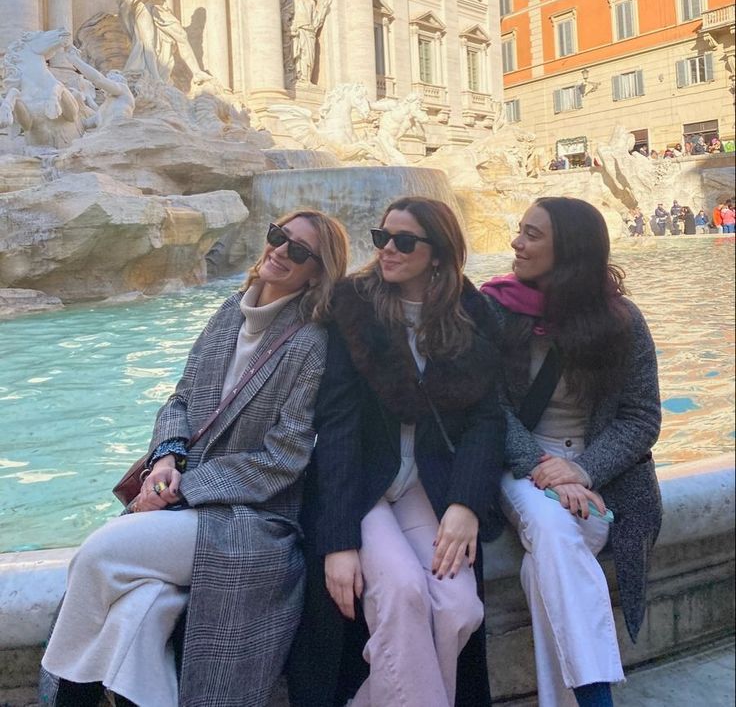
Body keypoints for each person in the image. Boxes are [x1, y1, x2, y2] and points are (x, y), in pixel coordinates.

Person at [41, 211, 350, 707]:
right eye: (278, 237)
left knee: (99, 555)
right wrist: (164, 461)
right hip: (181, 499)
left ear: (317, 271)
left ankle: (56, 695)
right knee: (137, 613)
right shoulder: (229, 313)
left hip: (249, 520)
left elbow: (285, 456)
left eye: (298, 250)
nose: (279, 251)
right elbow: (180, 400)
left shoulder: (311, 343)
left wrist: (185, 488)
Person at [290, 196, 505, 707]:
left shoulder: (471, 314)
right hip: (363, 484)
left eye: (403, 241)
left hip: (424, 484)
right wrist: (338, 539)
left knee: (457, 609)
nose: (387, 248)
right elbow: (337, 426)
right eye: (381, 237)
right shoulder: (354, 307)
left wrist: (466, 503)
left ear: (438, 254)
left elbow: (487, 417)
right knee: (404, 593)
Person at [480, 197, 662, 707]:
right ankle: (596, 699)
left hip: (597, 477)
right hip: (523, 464)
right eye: (520, 230)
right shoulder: (493, 308)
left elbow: (641, 417)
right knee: (556, 527)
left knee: (546, 560)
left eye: (532, 234)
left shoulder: (623, 321)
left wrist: (581, 468)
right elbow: (487, 407)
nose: (516, 242)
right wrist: (544, 467)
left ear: (571, 249)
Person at [280, 0, 333, 84]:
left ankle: (306, 78)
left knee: (308, 58)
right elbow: (285, 13)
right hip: (298, 31)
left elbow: (316, 21)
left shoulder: (311, 2)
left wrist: (323, 9)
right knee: (297, 55)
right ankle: (296, 77)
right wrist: (288, 27)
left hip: (309, 32)